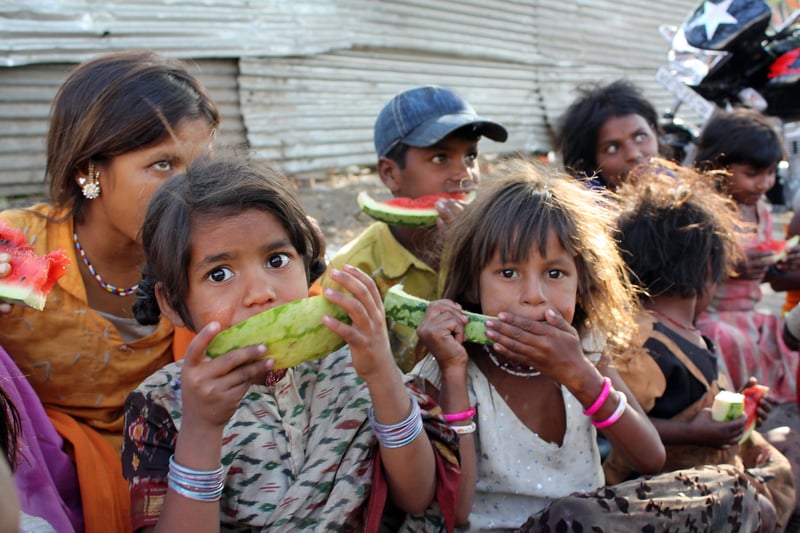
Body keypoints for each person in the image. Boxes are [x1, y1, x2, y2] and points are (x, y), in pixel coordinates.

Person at [122, 158, 460, 531]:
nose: (261, 293)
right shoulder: (161, 403)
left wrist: (382, 375)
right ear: (172, 302)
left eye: (277, 259)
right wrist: (202, 429)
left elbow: (416, 495)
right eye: (219, 274)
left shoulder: (352, 363)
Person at [0, 50, 220, 530]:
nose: (193, 191)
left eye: (200, 166)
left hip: (179, 460)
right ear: (90, 173)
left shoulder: (212, 253)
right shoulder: (23, 254)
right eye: (163, 164)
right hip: (40, 480)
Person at [411, 157, 681, 530]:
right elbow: (457, 511)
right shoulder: (448, 365)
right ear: (473, 284)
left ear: (581, 283)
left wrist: (581, 377)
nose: (534, 296)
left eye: (555, 273)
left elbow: (650, 457)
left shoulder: (584, 349)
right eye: (508, 273)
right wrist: (454, 377)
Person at [609, 158, 795, 530]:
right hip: (665, 498)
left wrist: (741, 399)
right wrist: (693, 433)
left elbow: (696, 396)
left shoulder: (687, 331)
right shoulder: (642, 343)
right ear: (709, 268)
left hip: (709, 478)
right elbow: (616, 424)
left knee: (787, 448)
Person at [320, 85, 508, 372]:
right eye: (440, 158)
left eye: (471, 156)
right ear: (390, 174)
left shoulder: (500, 242)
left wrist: (474, 254)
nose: (464, 174)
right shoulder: (355, 271)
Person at [693, 108, 800, 408]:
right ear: (718, 166)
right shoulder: (706, 212)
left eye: (769, 173)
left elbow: (768, 276)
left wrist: (779, 263)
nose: (763, 184)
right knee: (726, 339)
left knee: (778, 340)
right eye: (751, 174)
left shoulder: (762, 210)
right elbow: (683, 271)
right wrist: (725, 266)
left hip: (750, 314)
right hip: (712, 314)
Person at [555, 79, 662, 191]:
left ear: (653, 131)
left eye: (641, 137)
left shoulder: (677, 190)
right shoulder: (585, 206)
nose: (633, 154)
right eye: (612, 148)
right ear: (592, 164)